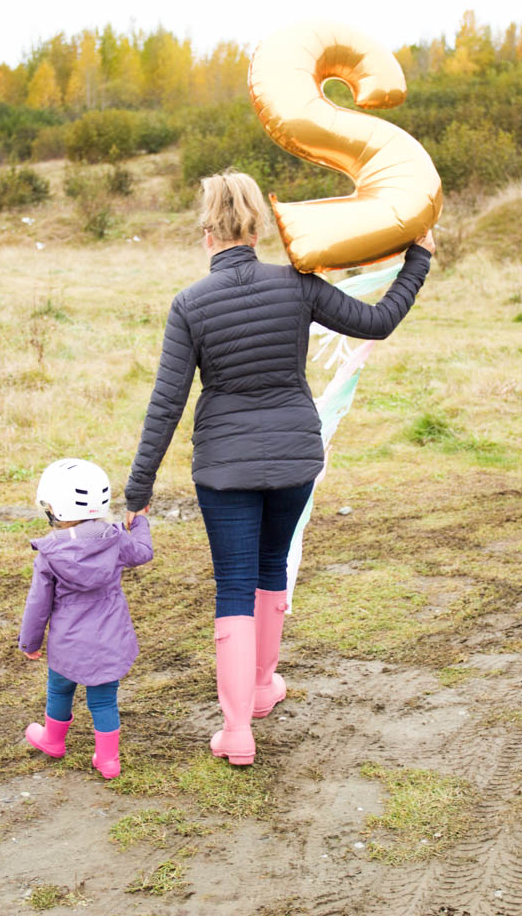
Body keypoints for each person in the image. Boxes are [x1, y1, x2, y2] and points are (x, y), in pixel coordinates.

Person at [125, 170, 434, 766]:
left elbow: (166, 404)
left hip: (224, 469)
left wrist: (138, 489)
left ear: (207, 230)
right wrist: (416, 260)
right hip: (295, 457)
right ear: (257, 227)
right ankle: (263, 687)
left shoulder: (189, 304)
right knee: (270, 570)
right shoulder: (298, 284)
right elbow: (378, 321)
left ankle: (237, 729)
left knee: (234, 585)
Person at [19, 458, 152, 779]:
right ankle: (108, 761)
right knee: (104, 701)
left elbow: (38, 605)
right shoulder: (116, 539)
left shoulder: (49, 554)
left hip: (68, 646)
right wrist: (140, 523)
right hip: (109, 642)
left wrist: (30, 642)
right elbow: (143, 552)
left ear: (56, 508)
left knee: (60, 690)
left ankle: (53, 740)